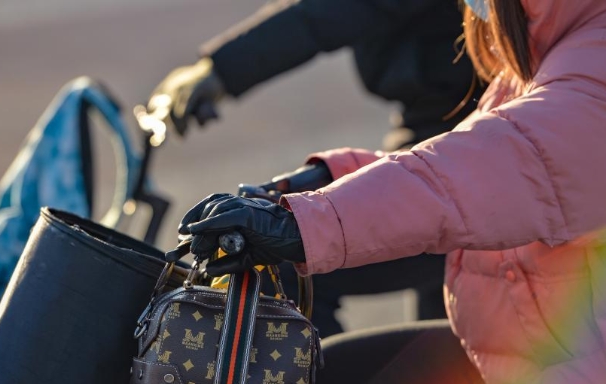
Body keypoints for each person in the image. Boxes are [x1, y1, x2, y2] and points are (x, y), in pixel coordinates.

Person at [174, 0, 606, 384]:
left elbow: (484, 169)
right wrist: (316, 184)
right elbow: (462, 163)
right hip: (519, 357)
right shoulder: (541, 50)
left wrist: (305, 222)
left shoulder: (592, 63)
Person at [150, 0, 484, 335]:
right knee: (445, 341)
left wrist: (222, 70)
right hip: (435, 143)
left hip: (477, 161)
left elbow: (329, 13)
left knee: (287, 263)